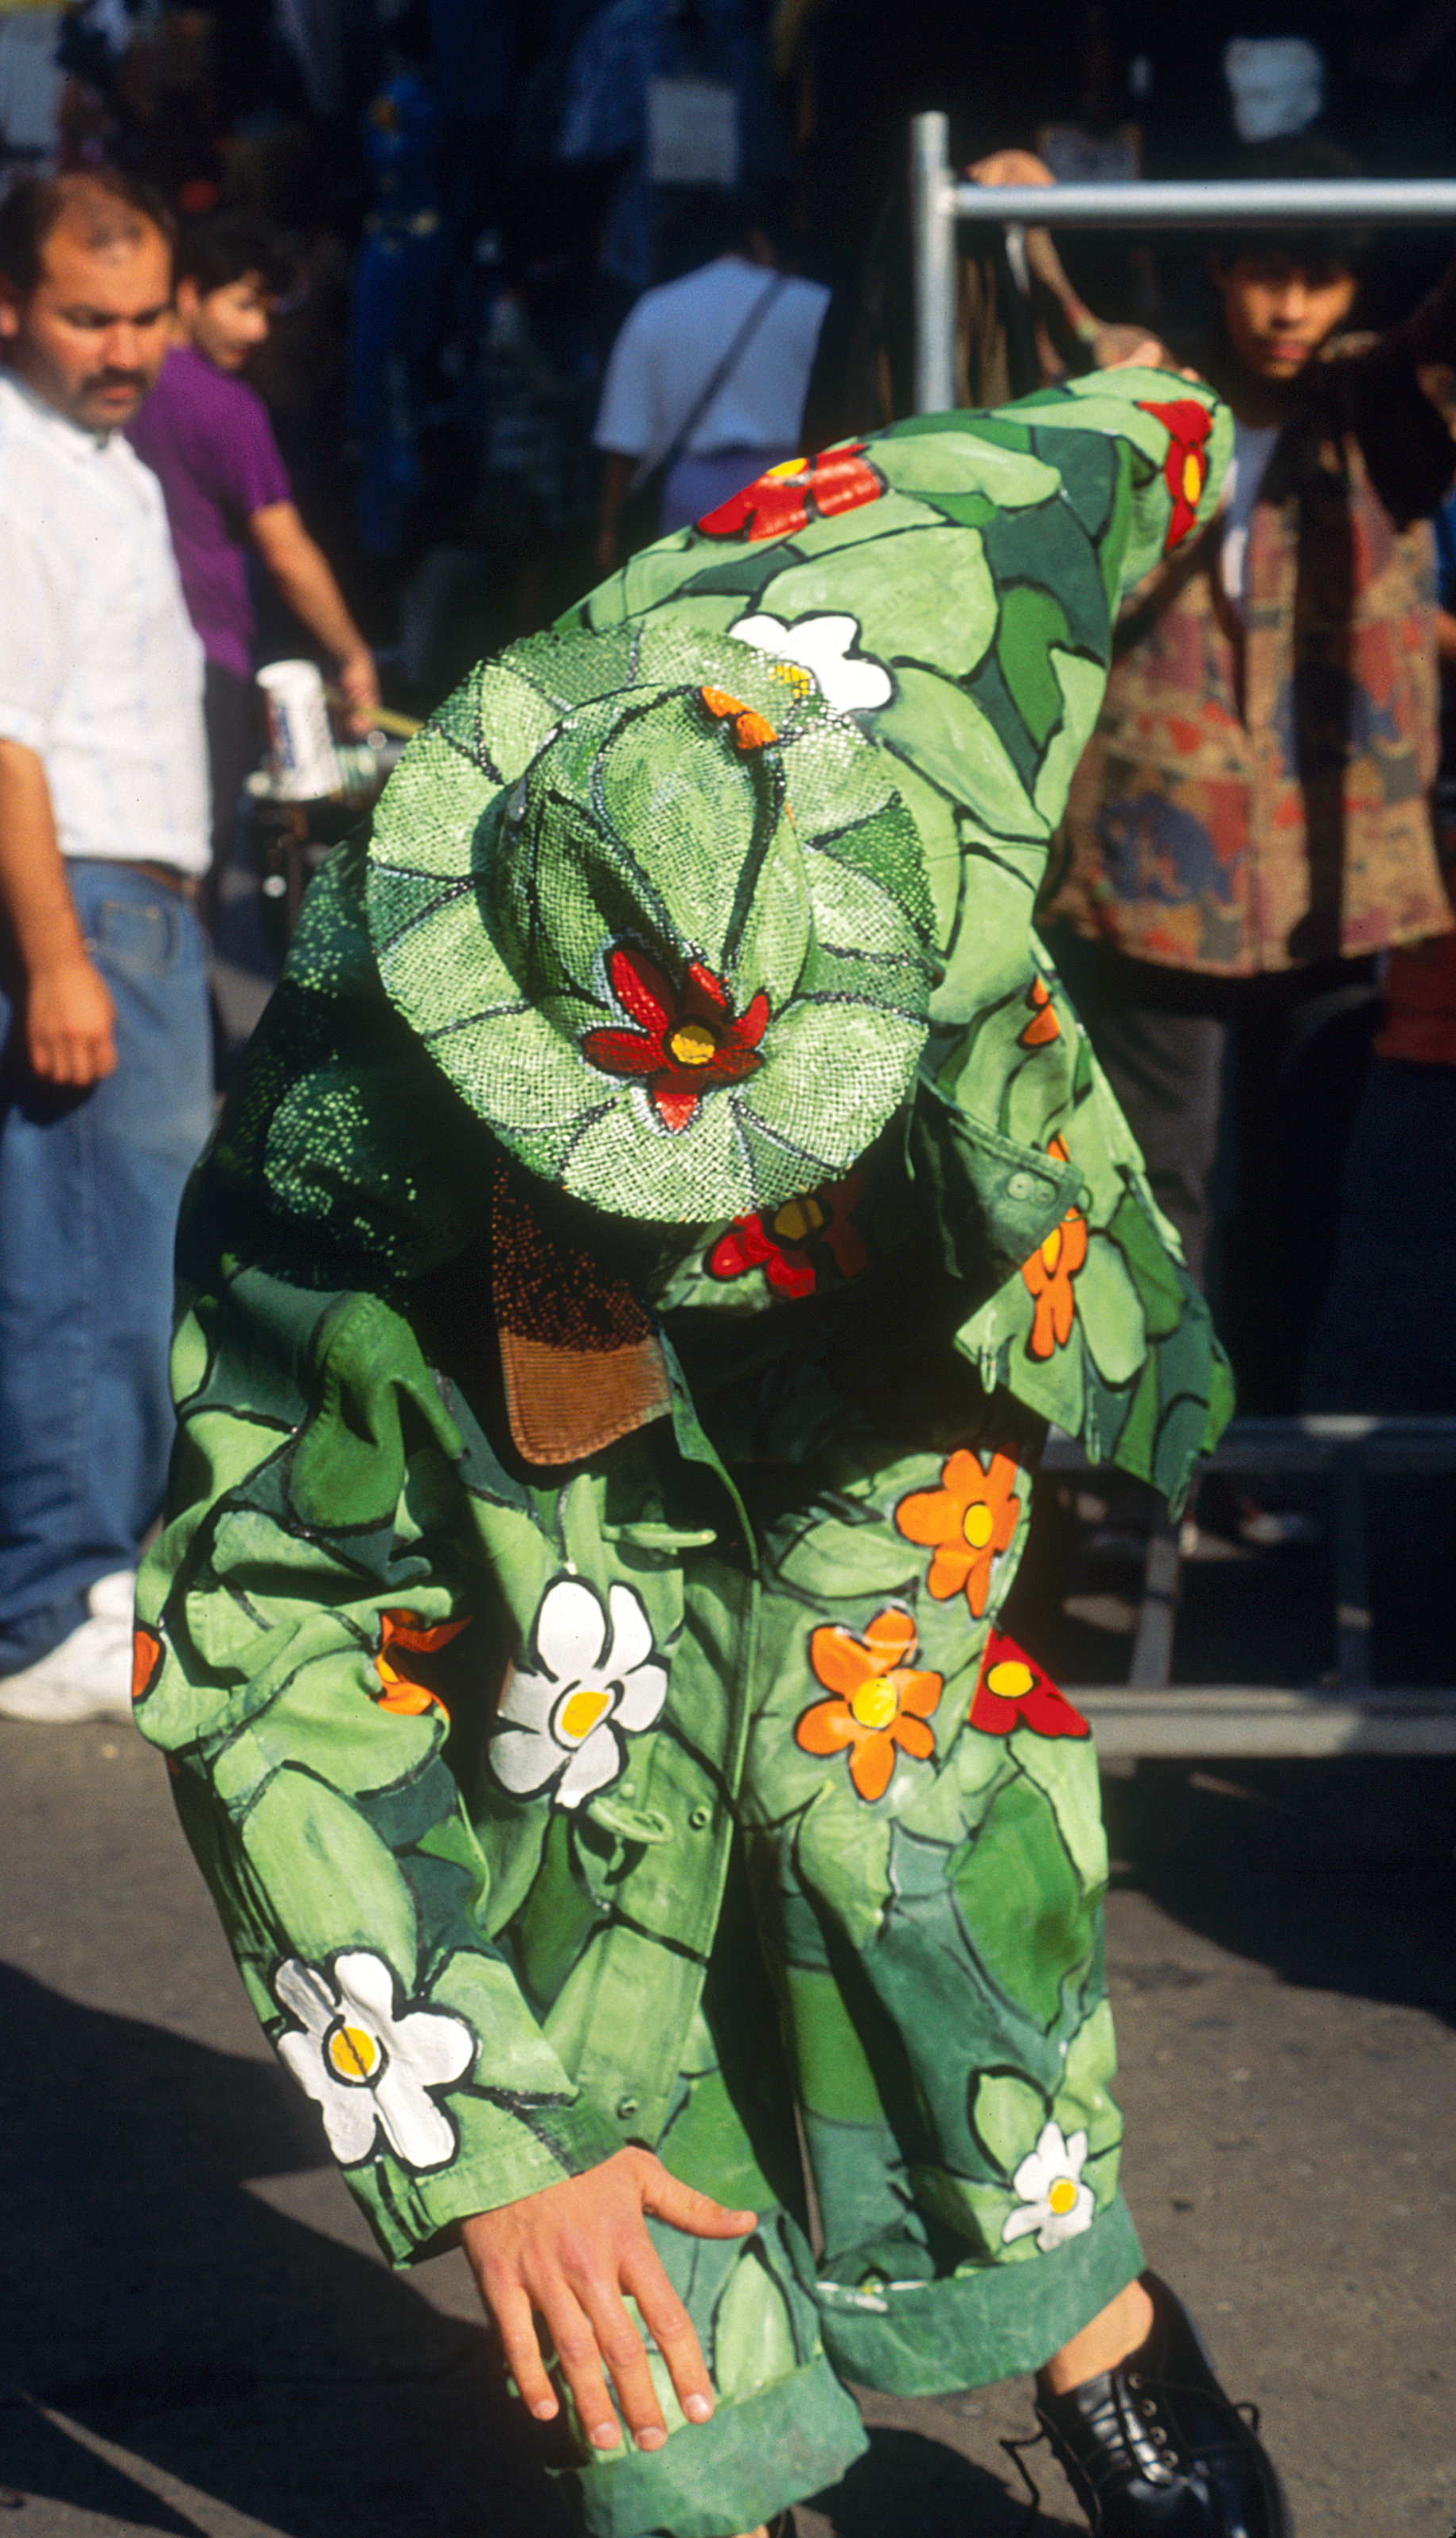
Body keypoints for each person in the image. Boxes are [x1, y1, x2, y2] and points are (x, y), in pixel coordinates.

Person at [134, 374, 1291, 2538]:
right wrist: (479, 2143)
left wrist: (1247, 400)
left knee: (875, 1796)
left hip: (894, 1285)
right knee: (597, 1822)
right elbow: (258, 1646)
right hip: (539, 1351)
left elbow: (1131, 423)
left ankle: (1083, 2312)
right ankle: (707, 2447)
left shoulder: (912, 626)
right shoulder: (338, 1159)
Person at [1045, 138, 1456, 1412]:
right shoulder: (1144, 398)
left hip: (1339, 865)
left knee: (1294, 1180)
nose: (1288, 309)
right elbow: (1025, 329)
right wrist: (1018, 220)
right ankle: (1154, 1447)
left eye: (1319, 279)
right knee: (1150, 1173)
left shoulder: (1374, 407)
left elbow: (1436, 355)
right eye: (1264, 274)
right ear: (1216, 268)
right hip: (1154, 850)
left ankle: (1257, 1425)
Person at [0, 168, 213, 1726]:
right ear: (15, 306)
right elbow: (1, 740)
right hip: (69, 901)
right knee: (91, 1270)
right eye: (88, 316)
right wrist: (62, 960)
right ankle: (53, 1603)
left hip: (93, 901)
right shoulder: (6, 479)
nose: (123, 345)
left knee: (28, 1262)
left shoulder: (93, 460)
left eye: (145, 315)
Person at [125, 209, 379, 874]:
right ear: (187, 295)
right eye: (241, 305)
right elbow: (286, 551)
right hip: (208, 658)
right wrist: (350, 651)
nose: (257, 329)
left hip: (122, 647)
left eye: (265, 309)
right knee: (192, 855)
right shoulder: (228, 407)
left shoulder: (118, 384)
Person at [593, 190, 829, 570]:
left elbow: (623, 440)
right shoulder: (814, 303)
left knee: (695, 616)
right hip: (796, 486)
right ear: (758, 240)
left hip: (694, 493)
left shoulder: (657, 309)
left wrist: (609, 528)